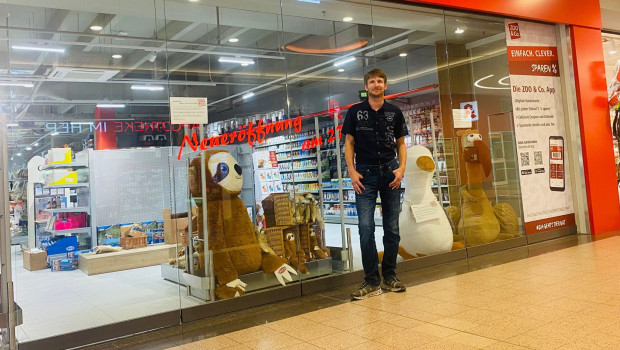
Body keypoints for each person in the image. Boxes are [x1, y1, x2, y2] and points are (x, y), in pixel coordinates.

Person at [342, 68, 408, 300]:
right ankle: (371, 281)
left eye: (380, 81)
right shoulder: (355, 112)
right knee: (365, 228)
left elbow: (401, 143)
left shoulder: (395, 112)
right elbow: (349, 143)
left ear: (385, 85)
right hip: (365, 175)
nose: (376, 84)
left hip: (391, 173)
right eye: (372, 81)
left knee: (392, 228)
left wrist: (401, 169)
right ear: (366, 86)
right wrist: (351, 171)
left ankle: (390, 276)